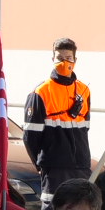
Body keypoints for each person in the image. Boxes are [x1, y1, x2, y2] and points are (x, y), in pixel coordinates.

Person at [23, 37, 92, 195]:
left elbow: (85, 129)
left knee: (81, 207)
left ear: (75, 60)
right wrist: (41, 164)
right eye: (60, 58)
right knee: (53, 208)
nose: (64, 62)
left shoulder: (84, 90)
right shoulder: (41, 92)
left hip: (81, 166)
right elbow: (30, 137)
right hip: (54, 168)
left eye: (68, 58)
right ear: (53, 59)